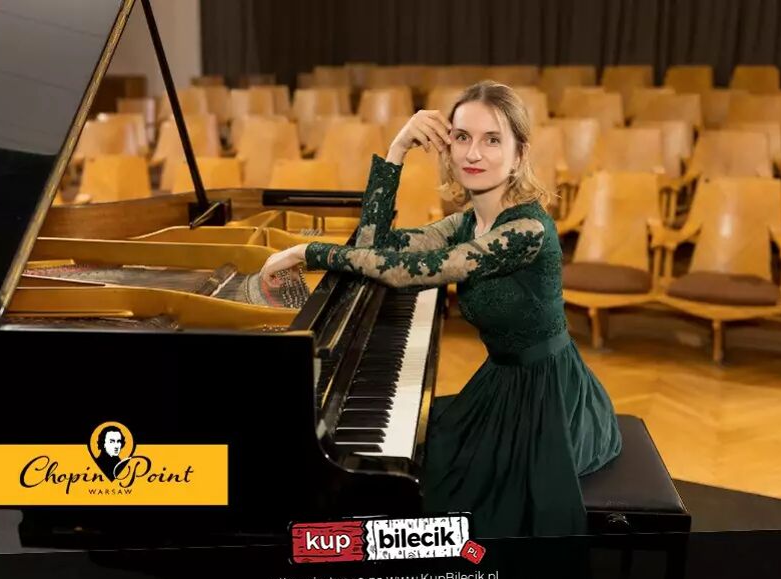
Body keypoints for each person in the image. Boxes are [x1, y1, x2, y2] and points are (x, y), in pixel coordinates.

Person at [260, 80, 622, 538]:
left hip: (550, 400)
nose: (473, 153)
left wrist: (309, 251)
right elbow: (374, 244)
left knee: (459, 504)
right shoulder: (466, 223)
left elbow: (406, 272)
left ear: (519, 154)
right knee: (422, 465)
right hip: (501, 385)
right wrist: (396, 150)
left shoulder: (526, 231)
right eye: (462, 137)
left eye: (493, 140)